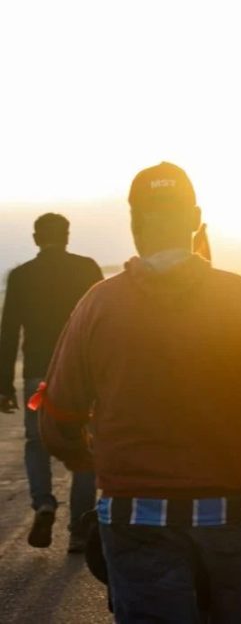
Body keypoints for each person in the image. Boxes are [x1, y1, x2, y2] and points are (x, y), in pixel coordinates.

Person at [38, 162, 241, 623]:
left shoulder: (99, 304)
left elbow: (58, 419)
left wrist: (92, 461)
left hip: (134, 514)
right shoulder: (239, 296)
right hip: (230, 512)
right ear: (195, 218)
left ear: (135, 223)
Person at [0, 213, 102, 552]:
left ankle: (44, 502)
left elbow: (8, 332)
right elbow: (105, 323)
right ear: (68, 236)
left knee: (37, 441)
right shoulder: (87, 270)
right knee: (84, 447)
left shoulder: (21, 276)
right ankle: (80, 528)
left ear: (35, 238)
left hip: (37, 374)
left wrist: (3, 385)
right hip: (82, 373)